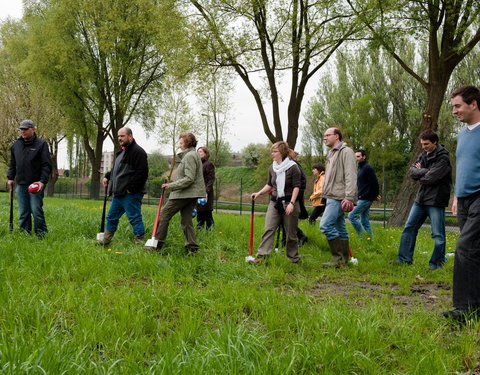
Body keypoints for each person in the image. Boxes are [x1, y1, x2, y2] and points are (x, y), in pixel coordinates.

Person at [443, 85, 480, 322]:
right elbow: (463, 167)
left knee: (465, 248)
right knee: (475, 252)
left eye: (458, 106)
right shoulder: (464, 134)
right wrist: (456, 195)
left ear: (473, 104)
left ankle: (464, 309)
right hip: (464, 199)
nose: (454, 111)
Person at [395, 130, 452, 270]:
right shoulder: (422, 155)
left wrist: (422, 172)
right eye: (422, 144)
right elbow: (412, 172)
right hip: (420, 199)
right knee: (409, 228)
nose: (424, 147)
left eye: (426, 144)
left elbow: (430, 179)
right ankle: (404, 260)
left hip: (436, 200)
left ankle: (435, 264)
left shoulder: (443, 158)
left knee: (438, 234)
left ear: (435, 142)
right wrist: (427, 171)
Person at [151, 132, 205, 254]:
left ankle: (156, 245)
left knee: (164, 215)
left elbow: (189, 178)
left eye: (181, 143)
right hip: (190, 194)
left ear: (187, 143)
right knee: (186, 220)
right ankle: (192, 248)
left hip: (184, 193)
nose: (179, 145)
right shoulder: (192, 155)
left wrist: (171, 185)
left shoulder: (190, 156)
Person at [249, 141, 301, 264]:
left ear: (282, 152)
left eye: (275, 151)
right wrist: (259, 193)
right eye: (272, 151)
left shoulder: (293, 167)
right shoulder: (272, 167)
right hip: (275, 202)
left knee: (290, 234)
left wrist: (292, 204)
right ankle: (262, 257)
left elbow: (296, 187)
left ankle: (293, 259)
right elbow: (269, 184)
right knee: (269, 228)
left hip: (289, 202)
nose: (272, 153)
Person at [99, 127, 149, 246]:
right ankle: (105, 241)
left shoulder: (138, 152)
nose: (120, 138)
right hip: (118, 194)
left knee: (134, 218)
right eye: (118, 136)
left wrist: (131, 189)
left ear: (130, 136)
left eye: (122, 136)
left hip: (130, 194)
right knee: (111, 217)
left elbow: (142, 173)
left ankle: (140, 243)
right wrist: (107, 176)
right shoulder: (122, 152)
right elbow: (117, 171)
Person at [7, 120, 52, 237]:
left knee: (36, 211)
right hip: (21, 184)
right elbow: (13, 164)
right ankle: (24, 234)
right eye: (21, 129)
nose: (23, 131)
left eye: (26, 129)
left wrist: (42, 181)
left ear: (33, 129)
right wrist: (10, 178)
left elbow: (46, 165)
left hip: (35, 185)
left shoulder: (41, 144)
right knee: (23, 212)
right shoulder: (16, 145)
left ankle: (41, 234)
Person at [320, 127, 357, 267]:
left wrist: (349, 197)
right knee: (340, 227)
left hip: (340, 196)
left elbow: (351, 176)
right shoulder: (331, 153)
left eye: (327, 135)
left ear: (337, 136)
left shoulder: (346, 152)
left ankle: (337, 259)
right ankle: (343, 261)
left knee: (325, 225)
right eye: (324, 136)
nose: (325, 138)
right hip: (331, 195)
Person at [348, 150, 379, 237]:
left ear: (364, 157)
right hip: (361, 197)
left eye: (358, 156)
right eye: (355, 157)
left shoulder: (367, 168)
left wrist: (375, 194)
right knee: (364, 220)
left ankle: (363, 236)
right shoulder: (359, 168)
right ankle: (370, 238)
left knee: (352, 216)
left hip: (365, 198)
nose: (356, 158)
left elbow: (374, 183)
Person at [196, 146, 215, 230]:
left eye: (200, 152)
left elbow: (211, 179)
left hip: (206, 193)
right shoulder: (197, 164)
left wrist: (206, 192)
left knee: (207, 212)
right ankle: (199, 229)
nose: (198, 153)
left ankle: (210, 231)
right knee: (199, 212)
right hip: (198, 192)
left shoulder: (208, 164)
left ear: (205, 154)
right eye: (198, 151)